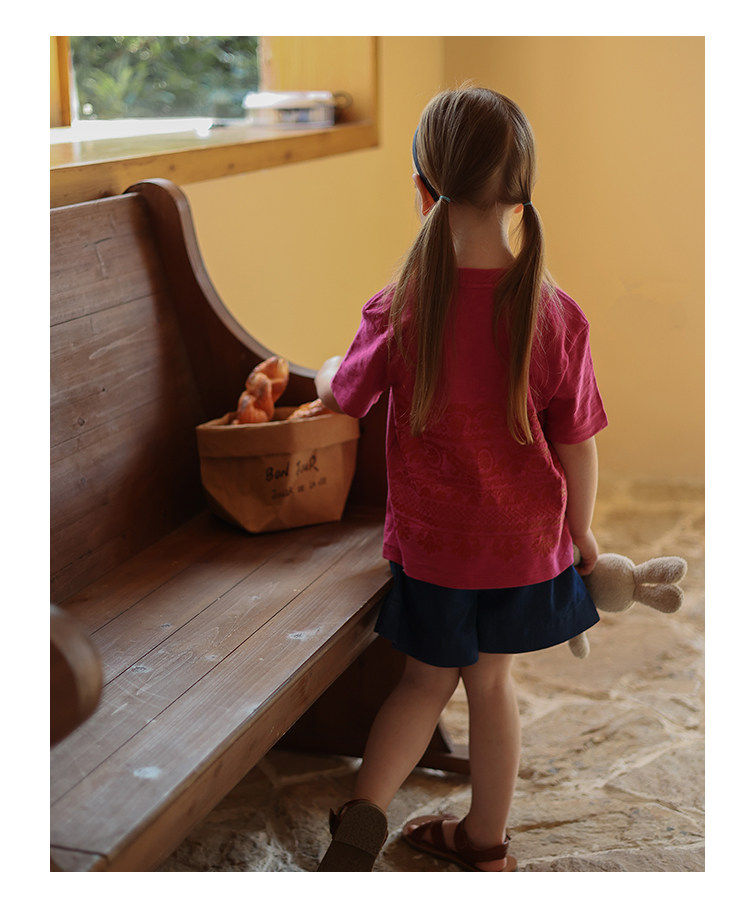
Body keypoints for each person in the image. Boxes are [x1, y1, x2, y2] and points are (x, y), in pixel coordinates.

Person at [313, 85, 608, 873]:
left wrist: (326, 369)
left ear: (423, 191)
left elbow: (345, 397)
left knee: (422, 683)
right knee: (492, 687)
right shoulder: (557, 314)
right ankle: (485, 844)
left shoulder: (401, 308)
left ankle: (362, 815)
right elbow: (576, 444)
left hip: (436, 550)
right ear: (520, 192)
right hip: (523, 546)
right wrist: (581, 533)